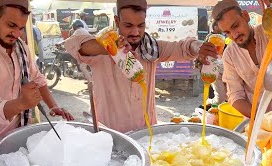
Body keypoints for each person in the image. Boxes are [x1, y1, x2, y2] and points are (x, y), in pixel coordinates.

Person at [64, 0, 208, 133]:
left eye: (140, 25)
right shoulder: (100, 49)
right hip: (109, 135)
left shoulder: (152, 49)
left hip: (145, 134)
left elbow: (183, 48)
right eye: (128, 25)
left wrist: (198, 46)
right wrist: (112, 47)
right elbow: (75, 43)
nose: (135, 32)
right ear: (117, 21)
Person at [207, 0, 272, 117]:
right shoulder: (230, 55)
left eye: (235, 26)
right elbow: (235, 95)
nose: (234, 35)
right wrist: (261, 119)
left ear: (245, 16)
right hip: (261, 121)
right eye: (227, 32)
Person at [0, 0, 74, 144]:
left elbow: (37, 79)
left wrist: (53, 106)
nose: (16, 34)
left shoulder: (21, 47)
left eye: (21, 28)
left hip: (16, 134)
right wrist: (22, 103)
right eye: (11, 25)